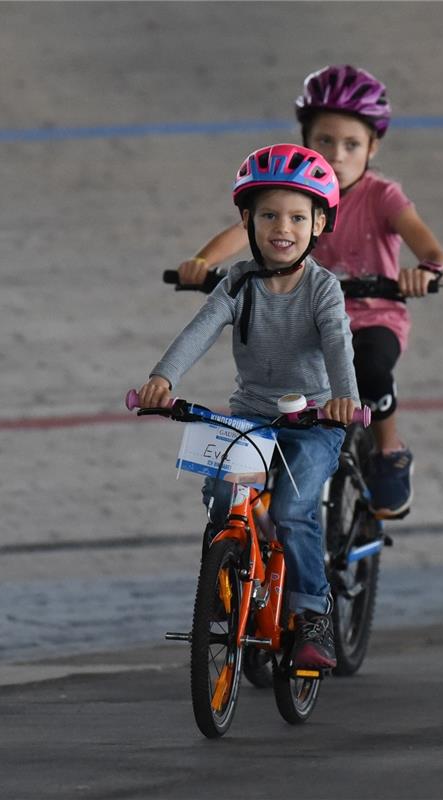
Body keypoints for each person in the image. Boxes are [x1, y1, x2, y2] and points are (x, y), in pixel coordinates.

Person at [174, 64, 443, 520]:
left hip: (370, 316)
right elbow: (242, 230)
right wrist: (201, 262)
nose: (338, 156)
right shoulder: (297, 193)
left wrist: (428, 269)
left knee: (373, 373)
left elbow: (430, 247)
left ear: (372, 148)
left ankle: (389, 451)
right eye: (324, 142)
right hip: (303, 317)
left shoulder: (382, 196)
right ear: (305, 140)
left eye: (351, 145)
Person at [138, 143, 358, 669]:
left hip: (314, 422)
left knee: (292, 509)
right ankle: (230, 582)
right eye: (268, 215)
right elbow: (199, 331)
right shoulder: (238, 282)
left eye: (298, 217)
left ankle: (311, 615)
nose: (282, 227)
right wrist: (163, 376)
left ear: (320, 223)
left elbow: (337, 343)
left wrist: (345, 397)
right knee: (221, 489)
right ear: (247, 219)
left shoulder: (323, 290)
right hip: (252, 418)